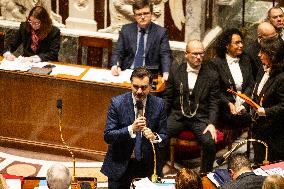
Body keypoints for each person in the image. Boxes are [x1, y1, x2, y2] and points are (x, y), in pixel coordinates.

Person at [100, 67, 168, 189]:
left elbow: (164, 135)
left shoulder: (159, 104)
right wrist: (131, 129)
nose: (139, 91)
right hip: (120, 162)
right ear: (130, 84)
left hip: (147, 165)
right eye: (136, 86)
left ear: (151, 86)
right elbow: (108, 136)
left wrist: (154, 137)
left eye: (144, 87)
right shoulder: (117, 103)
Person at [163, 40, 219, 173]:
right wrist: (160, 118)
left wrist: (212, 123)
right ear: (186, 55)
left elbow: (214, 102)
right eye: (195, 54)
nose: (199, 57)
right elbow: (168, 97)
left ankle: (205, 175)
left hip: (200, 118)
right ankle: (161, 164)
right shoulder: (175, 71)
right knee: (159, 134)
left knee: (209, 142)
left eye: (201, 54)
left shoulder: (212, 75)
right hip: (178, 116)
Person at [110, 0, 172, 82]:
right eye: (139, 14)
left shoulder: (161, 32)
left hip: (149, 75)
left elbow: (165, 54)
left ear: (151, 14)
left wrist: (166, 72)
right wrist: (115, 65)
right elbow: (118, 52)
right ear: (134, 16)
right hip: (128, 74)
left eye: (146, 13)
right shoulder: (126, 30)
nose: (142, 17)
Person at [209, 28, 253, 136]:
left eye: (241, 42)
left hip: (244, 105)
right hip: (225, 107)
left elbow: (250, 85)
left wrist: (244, 104)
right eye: (237, 43)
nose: (241, 45)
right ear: (227, 45)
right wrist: (229, 104)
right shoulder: (216, 63)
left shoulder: (246, 60)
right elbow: (216, 90)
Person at [251, 37, 284, 164]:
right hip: (260, 128)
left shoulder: (281, 77)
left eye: (262, 52)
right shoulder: (262, 69)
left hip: (275, 133)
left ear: (273, 55)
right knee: (259, 162)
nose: (259, 55)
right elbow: (258, 93)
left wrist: (265, 111)